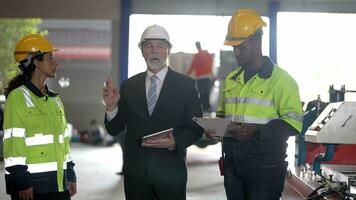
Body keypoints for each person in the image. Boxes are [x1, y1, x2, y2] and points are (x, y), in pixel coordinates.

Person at [205, 9, 303, 200]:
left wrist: (255, 130)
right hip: (232, 164)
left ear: (257, 42)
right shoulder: (232, 79)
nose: (236, 52)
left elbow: (294, 124)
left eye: (241, 47)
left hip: (265, 168)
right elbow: (223, 115)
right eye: (233, 47)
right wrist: (216, 128)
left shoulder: (281, 81)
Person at [103, 24, 203, 200]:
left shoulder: (186, 86)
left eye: (160, 45)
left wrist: (175, 142)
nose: (154, 51)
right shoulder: (129, 86)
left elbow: (197, 127)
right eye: (149, 46)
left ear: (168, 50)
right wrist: (111, 108)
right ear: (142, 51)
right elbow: (114, 129)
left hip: (171, 175)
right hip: (136, 176)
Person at [3, 34, 77, 200]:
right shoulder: (18, 98)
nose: (55, 63)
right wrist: (21, 182)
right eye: (50, 57)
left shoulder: (55, 100)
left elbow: (64, 142)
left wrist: (70, 173)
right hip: (31, 187)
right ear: (35, 61)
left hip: (59, 184)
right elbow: (13, 143)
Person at [186, 41, 214, 112]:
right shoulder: (206, 54)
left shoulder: (197, 56)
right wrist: (211, 74)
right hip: (206, 76)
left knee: (201, 92)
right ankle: (207, 107)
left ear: (197, 46)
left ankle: (204, 107)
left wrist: (187, 74)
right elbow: (210, 63)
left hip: (200, 77)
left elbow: (192, 66)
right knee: (206, 92)